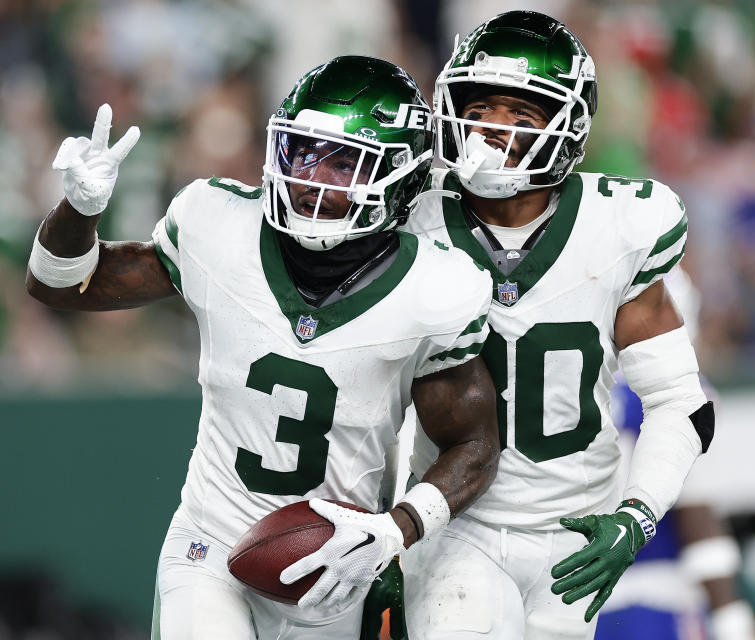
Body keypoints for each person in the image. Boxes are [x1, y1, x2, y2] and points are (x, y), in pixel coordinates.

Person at [26, 56, 500, 639]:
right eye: (302, 152)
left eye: (344, 162)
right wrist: (78, 209)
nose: (311, 179)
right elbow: (59, 284)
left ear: (400, 177)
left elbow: (475, 442)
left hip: (339, 559)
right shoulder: (218, 227)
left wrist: (396, 529)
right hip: (210, 541)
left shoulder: (435, 288)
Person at [400, 11, 714, 639]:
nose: (494, 130)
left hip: (579, 531)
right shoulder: (410, 219)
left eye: (523, 114)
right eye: (482, 107)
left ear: (567, 125)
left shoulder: (621, 226)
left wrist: (637, 514)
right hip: (457, 520)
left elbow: (681, 404)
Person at [598, 269, 755, 640]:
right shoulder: (683, 398)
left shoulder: (583, 388)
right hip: (657, 606)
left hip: (573, 602)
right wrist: (734, 622)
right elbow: (698, 519)